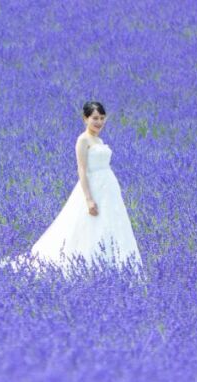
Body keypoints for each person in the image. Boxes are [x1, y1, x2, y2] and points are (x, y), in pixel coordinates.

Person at [12, 101, 142, 275]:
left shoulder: (99, 140)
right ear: (85, 118)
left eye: (102, 118)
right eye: (95, 118)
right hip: (92, 187)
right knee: (85, 225)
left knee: (110, 225)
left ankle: (111, 264)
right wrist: (88, 198)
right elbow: (82, 169)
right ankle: (84, 264)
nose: (99, 122)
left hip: (108, 189)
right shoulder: (83, 140)